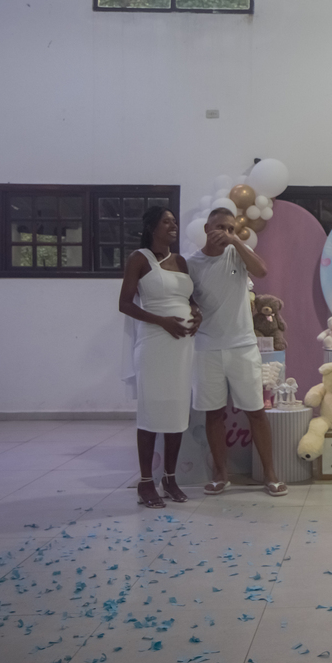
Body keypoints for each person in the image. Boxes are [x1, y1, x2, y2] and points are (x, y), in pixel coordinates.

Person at [186, 208, 286, 496]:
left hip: (242, 346)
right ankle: (221, 474)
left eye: (230, 228)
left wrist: (236, 242)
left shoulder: (238, 254)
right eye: (220, 227)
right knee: (213, 413)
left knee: (256, 411)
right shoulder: (192, 264)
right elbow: (186, 298)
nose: (225, 233)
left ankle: (270, 474)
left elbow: (262, 270)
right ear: (207, 229)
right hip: (207, 347)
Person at [119, 207, 199, 509]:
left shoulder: (180, 261)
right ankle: (145, 482)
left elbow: (189, 299)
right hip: (154, 344)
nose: (173, 225)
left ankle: (169, 479)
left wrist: (197, 313)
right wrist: (161, 321)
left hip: (182, 347)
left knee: (177, 412)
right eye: (167, 222)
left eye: (174, 222)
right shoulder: (139, 259)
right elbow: (125, 304)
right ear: (152, 227)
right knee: (151, 412)